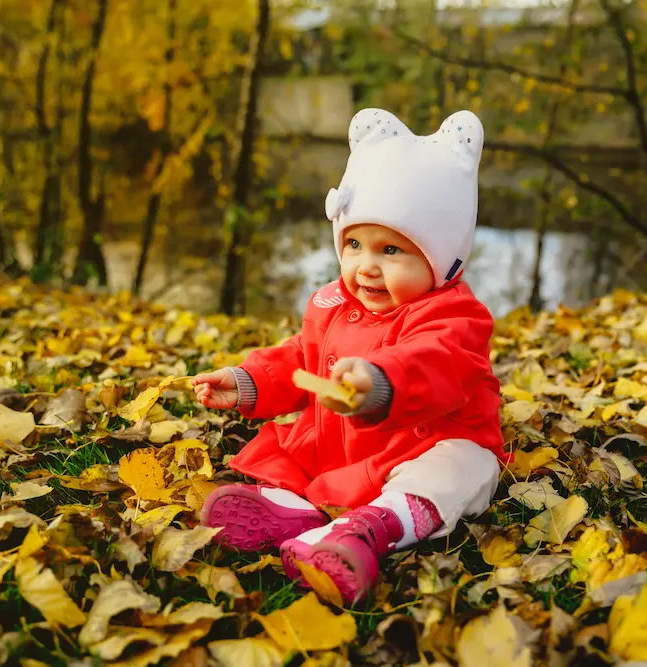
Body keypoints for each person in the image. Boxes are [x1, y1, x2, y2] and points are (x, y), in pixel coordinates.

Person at [191, 108, 505, 605]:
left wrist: (380, 381)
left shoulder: (456, 316)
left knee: (464, 467)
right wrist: (249, 381)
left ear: (441, 258)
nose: (366, 267)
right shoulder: (334, 302)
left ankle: (371, 527)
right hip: (337, 453)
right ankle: (289, 511)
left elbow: (437, 362)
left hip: (418, 444)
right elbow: (300, 360)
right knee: (290, 449)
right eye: (354, 244)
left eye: (392, 251)